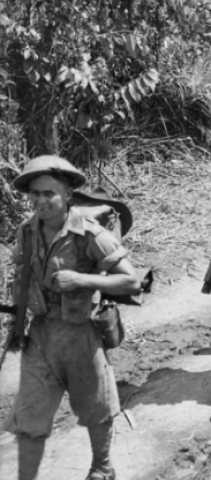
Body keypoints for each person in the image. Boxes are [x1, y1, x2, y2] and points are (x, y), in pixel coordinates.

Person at [6, 155, 140, 480]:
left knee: (96, 408)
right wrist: (16, 324)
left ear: (67, 194)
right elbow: (22, 279)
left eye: (49, 193)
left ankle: (102, 468)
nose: (41, 200)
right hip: (40, 336)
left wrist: (85, 280)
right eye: (34, 194)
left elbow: (132, 281)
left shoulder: (91, 234)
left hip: (82, 335)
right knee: (30, 415)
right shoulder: (26, 232)